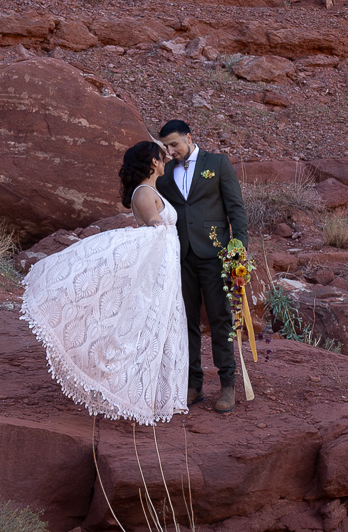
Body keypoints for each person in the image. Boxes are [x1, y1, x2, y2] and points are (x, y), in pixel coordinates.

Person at [19, 138, 188, 423]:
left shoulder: (152, 190)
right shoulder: (145, 193)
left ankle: (155, 397)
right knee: (141, 328)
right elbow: (153, 233)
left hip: (165, 271)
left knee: (160, 327)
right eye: (161, 155)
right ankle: (126, 389)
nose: (166, 157)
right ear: (153, 163)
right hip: (155, 271)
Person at [156, 118, 248, 415]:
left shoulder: (218, 164)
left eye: (174, 144)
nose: (171, 151)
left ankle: (228, 384)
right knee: (186, 321)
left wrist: (239, 247)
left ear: (189, 138)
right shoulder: (167, 172)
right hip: (181, 257)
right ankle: (192, 384)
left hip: (216, 255)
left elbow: (235, 207)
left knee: (221, 319)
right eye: (167, 147)